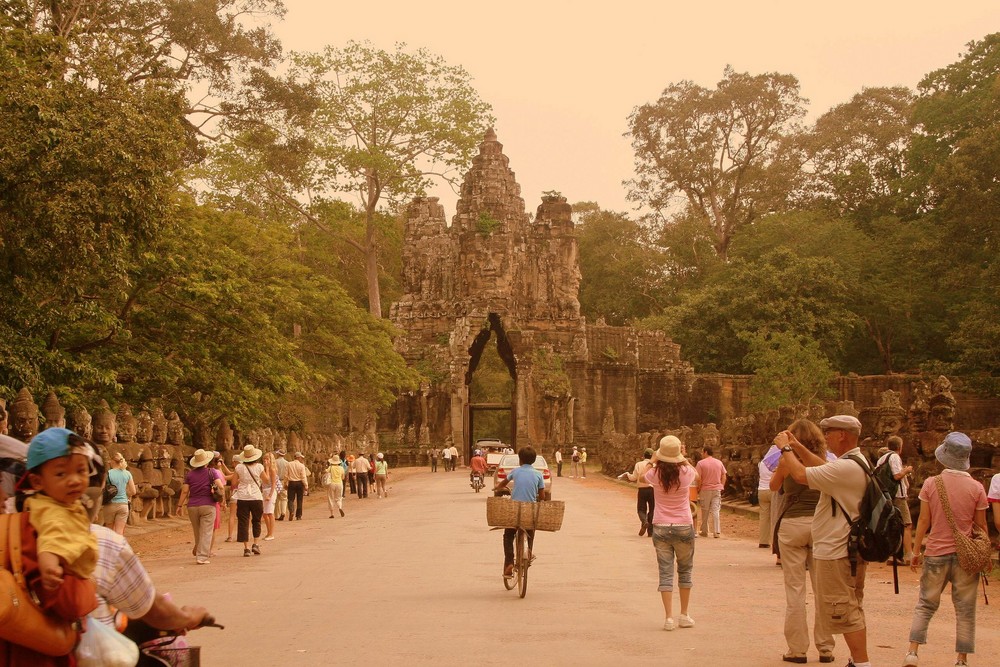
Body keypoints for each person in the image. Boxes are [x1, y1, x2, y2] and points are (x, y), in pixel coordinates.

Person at [776, 414, 872, 667]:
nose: (826, 438)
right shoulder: (854, 463)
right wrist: (797, 446)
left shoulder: (847, 467)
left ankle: (861, 663)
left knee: (842, 608)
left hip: (837, 548)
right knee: (843, 604)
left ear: (842, 434)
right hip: (842, 546)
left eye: (829, 432)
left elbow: (799, 475)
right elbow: (820, 467)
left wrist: (785, 448)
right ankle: (839, 653)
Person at [902, 432, 988, 667]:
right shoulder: (977, 487)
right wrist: (985, 554)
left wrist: (916, 551)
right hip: (966, 557)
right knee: (965, 608)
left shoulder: (932, 483)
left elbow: (923, 522)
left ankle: (912, 652)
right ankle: (961, 659)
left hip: (936, 553)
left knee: (926, 604)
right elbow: (980, 526)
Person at [769, 420, 836, 664]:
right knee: (823, 589)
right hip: (820, 525)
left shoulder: (788, 461)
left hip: (792, 525)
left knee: (795, 590)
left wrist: (783, 463)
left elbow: (775, 487)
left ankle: (797, 650)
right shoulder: (825, 461)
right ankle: (826, 647)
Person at [22, 428, 99, 611]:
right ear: (37, 482)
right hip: (64, 585)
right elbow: (51, 536)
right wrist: (50, 566)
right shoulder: (53, 511)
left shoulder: (60, 502)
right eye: (61, 474)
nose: (74, 480)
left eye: (81, 470)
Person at [644, 435, 698, 631]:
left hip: (661, 525)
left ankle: (668, 618)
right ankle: (684, 614)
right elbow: (695, 473)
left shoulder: (655, 474)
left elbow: (643, 475)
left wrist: (653, 459)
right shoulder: (686, 472)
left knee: (665, 573)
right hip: (683, 524)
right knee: (685, 570)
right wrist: (682, 457)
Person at [493, 446, 546, 578]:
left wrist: (497, 488)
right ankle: (528, 552)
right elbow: (542, 495)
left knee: (508, 535)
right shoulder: (538, 474)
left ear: (520, 460)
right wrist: (539, 498)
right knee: (530, 531)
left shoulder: (515, 472)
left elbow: (503, 483)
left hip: (515, 510)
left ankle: (509, 562)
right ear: (533, 461)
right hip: (530, 510)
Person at [175, 448, 225, 565]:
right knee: (207, 531)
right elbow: (220, 486)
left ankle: (199, 550)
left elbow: (185, 491)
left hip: (192, 506)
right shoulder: (211, 472)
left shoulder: (190, 474)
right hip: (208, 505)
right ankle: (202, 556)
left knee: (197, 531)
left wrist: (179, 505)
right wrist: (221, 498)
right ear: (206, 461)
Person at [876, 435, 914, 563]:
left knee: (893, 525)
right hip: (897, 495)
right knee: (907, 524)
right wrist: (907, 470)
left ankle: (894, 555)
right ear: (899, 447)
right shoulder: (894, 456)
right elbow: (897, 475)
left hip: (887, 496)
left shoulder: (881, 458)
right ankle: (909, 555)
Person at [228, 444, 268, 557]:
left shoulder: (239, 467)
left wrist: (243, 479)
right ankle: (255, 544)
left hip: (243, 497)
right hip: (256, 496)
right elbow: (266, 480)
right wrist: (268, 469)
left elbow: (234, 483)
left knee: (243, 521)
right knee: (256, 520)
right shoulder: (259, 467)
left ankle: (246, 548)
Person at [620, 448, 655, 536]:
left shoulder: (639, 464)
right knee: (652, 509)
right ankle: (650, 531)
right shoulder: (655, 465)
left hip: (642, 489)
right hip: (653, 490)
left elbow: (634, 478)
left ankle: (644, 521)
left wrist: (627, 475)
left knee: (641, 509)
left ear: (644, 456)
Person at [695, 445, 727, 538]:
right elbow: (724, 475)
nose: (701, 454)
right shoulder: (719, 462)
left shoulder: (700, 463)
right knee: (715, 510)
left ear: (705, 452)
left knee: (705, 510)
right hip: (717, 489)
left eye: (702, 452)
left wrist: (698, 488)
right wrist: (721, 485)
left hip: (705, 489)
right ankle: (717, 531)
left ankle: (704, 530)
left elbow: (699, 478)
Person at [103, 451, 136, 536]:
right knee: (119, 532)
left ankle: (109, 548)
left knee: (109, 532)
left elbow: (102, 488)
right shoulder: (127, 473)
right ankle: (118, 548)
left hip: (110, 505)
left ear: (112, 461)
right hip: (123, 505)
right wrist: (125, 494)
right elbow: (133, 491)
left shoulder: (108, 474)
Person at [285, 451, 310, 520]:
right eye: (301, 458)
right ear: (298, 458)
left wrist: (285, 483)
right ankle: (298, 515)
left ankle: (291, 510)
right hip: (299, 483)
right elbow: (303, 477)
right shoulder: (301, 466)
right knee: (299, 499)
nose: (301, 459)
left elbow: (286, 475)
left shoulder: (289, 464)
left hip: (291, 483)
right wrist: (306, 485)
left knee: (290, 499)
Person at [260, 451, 279, 539]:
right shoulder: (263, 469)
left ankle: (271, 533)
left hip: (270, 490)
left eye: (267, 459)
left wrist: (270, 495)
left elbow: (272, 483)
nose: (265, 461)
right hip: (264, 490)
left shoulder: (272, 469)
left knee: (270, 513)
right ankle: (268, 532)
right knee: (265, 513)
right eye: (264, 459)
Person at [273, 449, 289, 521]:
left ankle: (277, 515)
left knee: (276, 498)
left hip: (276, 481)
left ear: (278, 454)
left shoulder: (275, 462)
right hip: (283, 481)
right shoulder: (287, 463)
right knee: (284, 498)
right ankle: (283, 512)